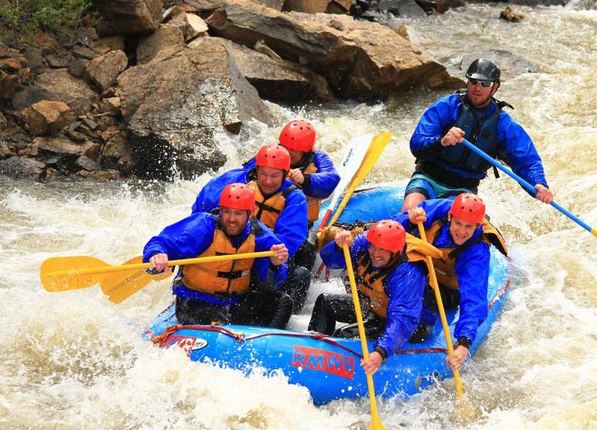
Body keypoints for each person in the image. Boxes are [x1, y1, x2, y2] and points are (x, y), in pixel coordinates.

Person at [402, 57, 554, 211]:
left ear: (495, 86)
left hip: (463, 189)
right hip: (428, 178)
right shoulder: (447, 107)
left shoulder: (503, 124)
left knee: (457, 225)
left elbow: (526, 161)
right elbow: (417, 143)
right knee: (411, 208)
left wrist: (538, 184)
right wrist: (441, 141)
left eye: (485, 84)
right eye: (474, 82)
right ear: (467, 82)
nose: (477, 88)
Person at [143, 183, 292, 327]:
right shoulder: (203, 226)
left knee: (282, 302)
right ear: (221, 210)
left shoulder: (260, 236)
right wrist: (157, 254)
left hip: (234, 302)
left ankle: (264, 345)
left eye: (238, 213)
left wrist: (275, 265)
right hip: (195, 301)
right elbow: (162, 242)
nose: (232, 219)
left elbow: (273, 284)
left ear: (249, 213)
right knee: (217, 322)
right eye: (227, 212)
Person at [394, 193, 507, 371]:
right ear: (450, 217)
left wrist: (464, 343)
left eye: (469, 227)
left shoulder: (477, 250)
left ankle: (415, 323)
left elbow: (473, 295)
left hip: (446, 291)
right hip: (421, 272)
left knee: (413, 285)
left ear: (478, 225)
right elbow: (392, 229)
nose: (461, 231)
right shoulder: (436, 210)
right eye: (458, 223)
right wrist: (408, 219)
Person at [191, 145, 311, 312]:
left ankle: (286, 315)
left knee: (300, 274)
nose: (268, 181)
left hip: (262, 251)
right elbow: (201, 207)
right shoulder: (238, 183)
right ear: (256, 170)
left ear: (285, 174)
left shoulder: (294, 197)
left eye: (275, 176)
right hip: (232, 243)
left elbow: (289, 240)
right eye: (263, 174)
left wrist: (258, 250)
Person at [308, 220, 428, 376]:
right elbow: (332, 262)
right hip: (373, 307)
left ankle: (330, 373)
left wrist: (381, 351)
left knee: (343, 335)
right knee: (325, 302)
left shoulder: (408, 273)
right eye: (374, 247)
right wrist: (338, 247)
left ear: (395, 251)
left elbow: (402, 318)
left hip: (406, 323)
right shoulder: (365, 243)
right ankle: (309, 352)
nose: (376, 254)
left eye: (382, 250)